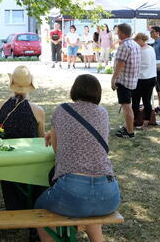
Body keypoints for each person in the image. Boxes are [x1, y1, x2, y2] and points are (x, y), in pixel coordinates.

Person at [35, 74, 120, 242]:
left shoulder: (62, 110)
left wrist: (56, 136)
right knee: (89, 208)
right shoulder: (103, 113)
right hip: (109, 194)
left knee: (39, 209)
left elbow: (57, 150)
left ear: (75, 90)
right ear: (97, 93)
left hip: (72, 192)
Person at [0, 66, 46, 212]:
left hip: (6, 164)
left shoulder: (0, 107)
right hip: (31, 164)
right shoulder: (37, 111)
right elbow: (41, 138)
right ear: (30, 86)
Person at [111, 23, 140, 138]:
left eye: (117, 31)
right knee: (128, 106)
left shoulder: (124, 45)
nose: (116, 33)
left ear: (123, 33)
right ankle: (127, 127)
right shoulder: (135, 44)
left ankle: (129, 132)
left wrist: (113, 79)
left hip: (124, 80)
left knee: (126, 107)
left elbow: (120, 64)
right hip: (133, 80)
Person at [133, 33, 157, 130]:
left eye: (137, 41)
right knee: (140, 101)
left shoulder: (145, 50)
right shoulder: (150, 48)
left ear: (142, 40)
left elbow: (144, 64)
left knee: (140, 101)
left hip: (144, 78)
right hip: (149, 78)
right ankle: (138, 121)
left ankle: (142, 121)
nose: (136, 42)